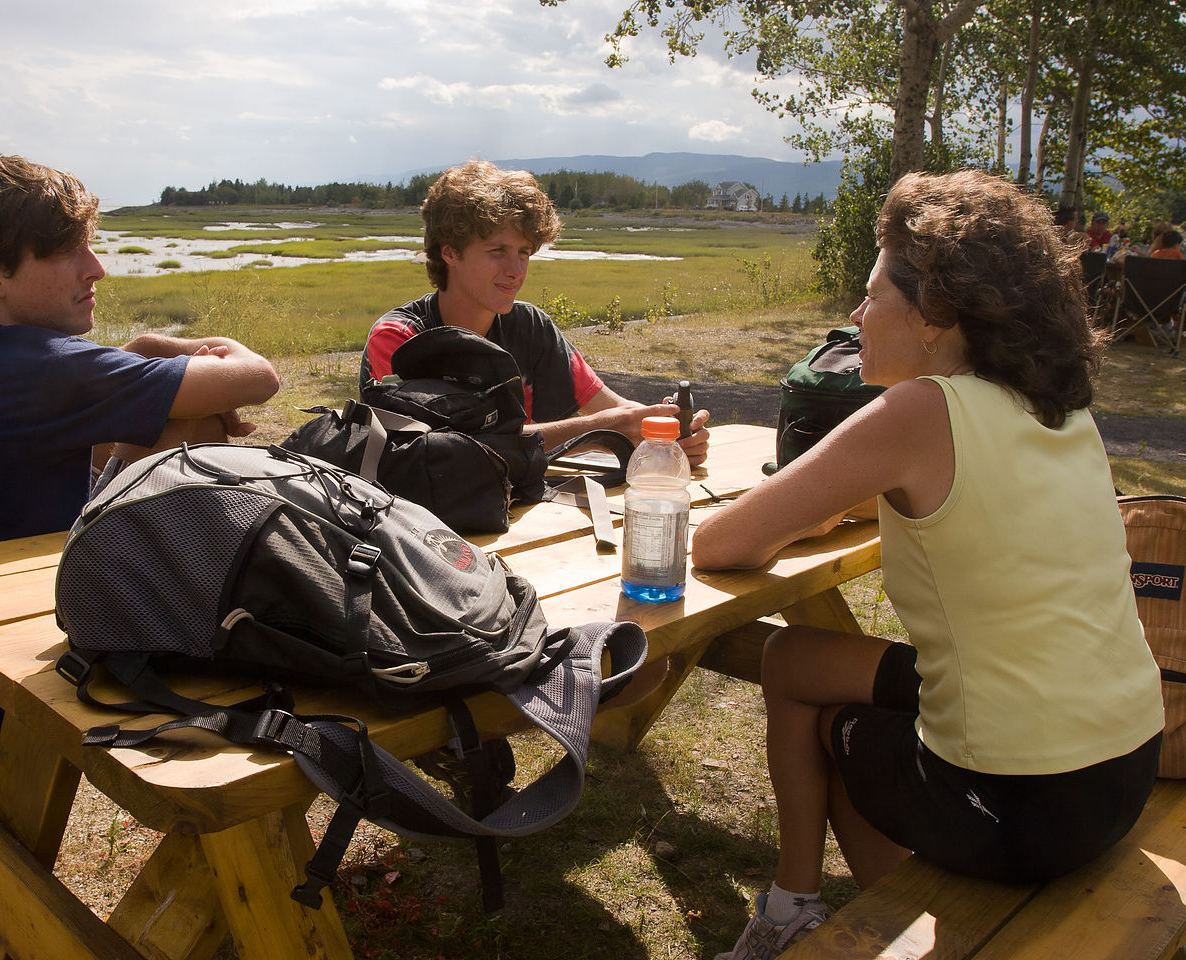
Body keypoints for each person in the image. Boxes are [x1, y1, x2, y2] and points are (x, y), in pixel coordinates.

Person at [694, 170, 1163, 960]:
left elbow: (719, 545)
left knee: (839, 733)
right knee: (793, 656)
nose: (855, 314)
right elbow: (987, 508)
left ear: (935, 315)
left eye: (873, 293)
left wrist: (795, 515)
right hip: (1122, 766)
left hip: (1025, 799)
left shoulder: (918, 411)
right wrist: (844, 505)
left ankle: (867, 925)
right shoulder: (1057, 409)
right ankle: (789, 904)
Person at [0, 156, 281, 742]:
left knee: (160, 416)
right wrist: (182, 350)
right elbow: (258, 378)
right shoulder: (34, 366)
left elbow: (54, 416)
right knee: (185, 423)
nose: (97, 269)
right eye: (68, 252)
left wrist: (138, 365)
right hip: (4, 689)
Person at [358, 160, 710, 464]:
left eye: (524, 252)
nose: (516, 270)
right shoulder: (400, 339)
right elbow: (451, 452)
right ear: (450, 252)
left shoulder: (529, 327)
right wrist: (601, 431)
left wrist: (665, 430)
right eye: (498, 251)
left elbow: (610, 408)